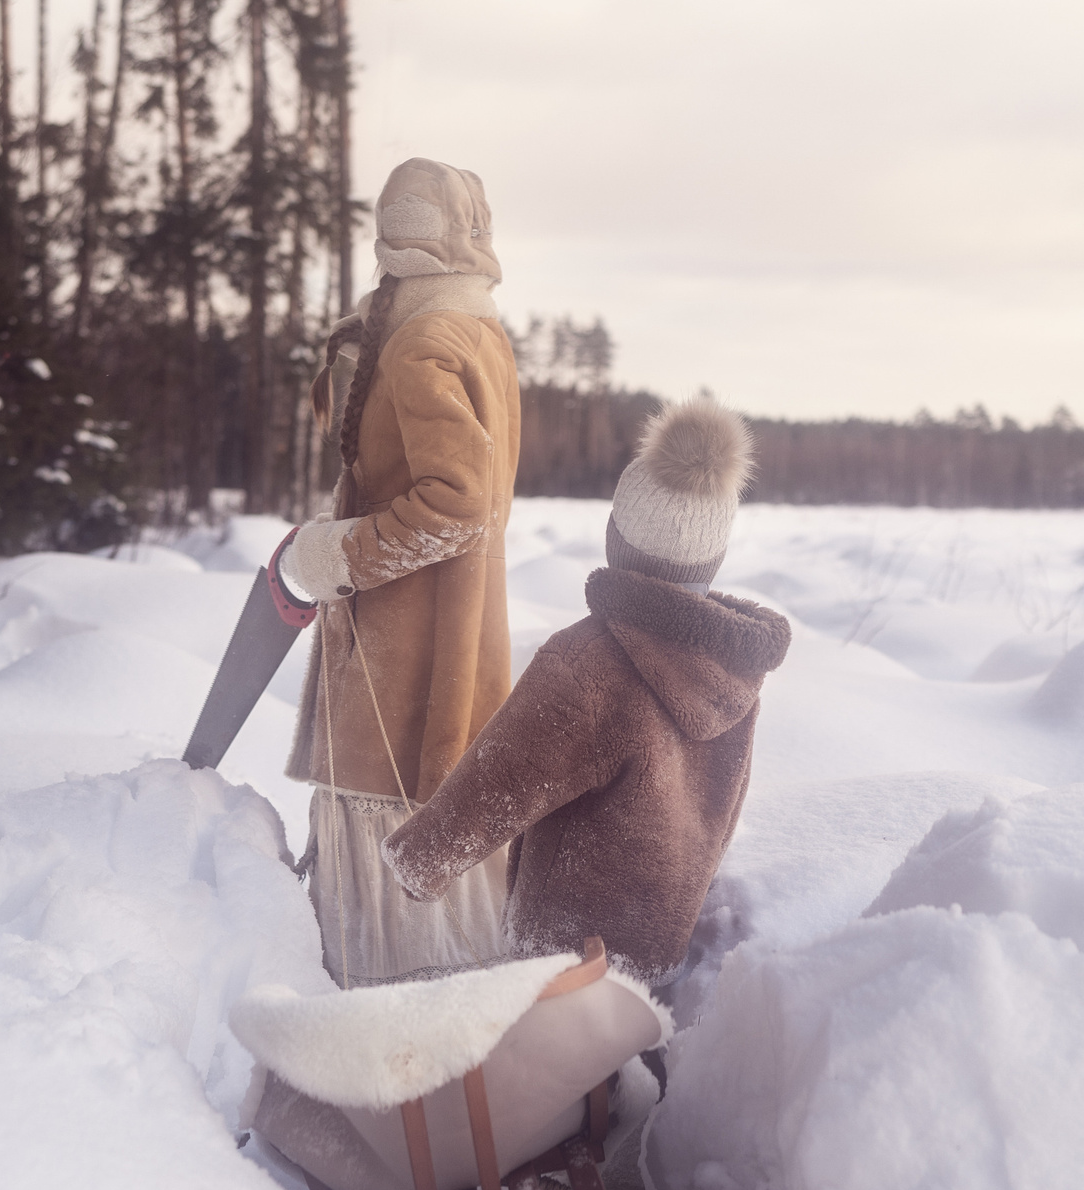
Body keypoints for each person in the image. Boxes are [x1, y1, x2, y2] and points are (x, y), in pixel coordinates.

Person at [380, 396, 790, 990]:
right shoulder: (733, 664)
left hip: (562, 950)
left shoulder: (589, 661)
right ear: (715, 555)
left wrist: (422, 857)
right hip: (658, 947)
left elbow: (505, 777)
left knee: (542, 1050)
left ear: (615, 537)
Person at [273, 158, 521, 986]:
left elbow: (458, 506)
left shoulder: (423, 342)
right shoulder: (476, 329)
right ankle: (452, 1035)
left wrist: (337, 554)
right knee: (441, 886)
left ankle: (384, 1036)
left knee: (385, 902)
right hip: (459, 644)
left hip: (402, 659)